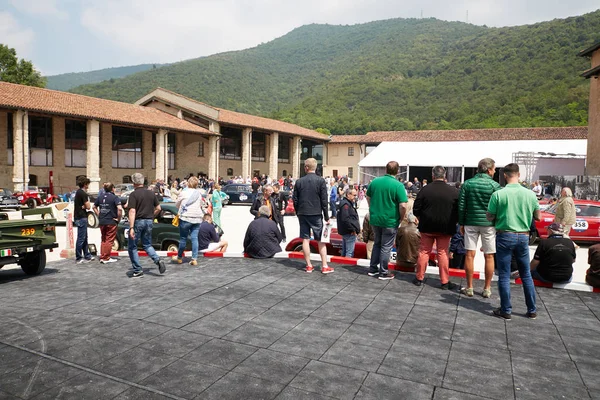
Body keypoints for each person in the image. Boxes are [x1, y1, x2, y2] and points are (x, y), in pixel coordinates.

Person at [487, 163, 540, 320]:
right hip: (523, 236)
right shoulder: (529, 194)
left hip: (505, 235)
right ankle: (532, 309)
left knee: (504, 274)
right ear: (519, 175)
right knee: (526, 274)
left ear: (504, 175)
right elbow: (538, 217)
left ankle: (506, 310)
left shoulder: (498, 194)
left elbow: (489, 216)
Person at [458, 158, 502, 297]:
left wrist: (461, 223)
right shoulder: (495, 186)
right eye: (494, 169)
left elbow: (461, 206)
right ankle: (487, 288)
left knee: (469, 255)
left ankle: (469, 287)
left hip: (470, 221)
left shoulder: (467, 184)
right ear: (489, 170)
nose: (495, 171)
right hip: (489, 224)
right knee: (489, 256)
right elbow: (499, 207)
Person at [413, 166, 459, 289]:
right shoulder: (453, 191)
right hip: (445, 227)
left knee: (424, 252)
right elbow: (458, 210)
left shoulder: (425, 190)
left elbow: (416, 208)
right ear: (445, 176)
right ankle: (444, 281)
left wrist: (420, 217)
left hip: (427, 226)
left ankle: (419, 278)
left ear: (433, 176)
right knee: (443, 253)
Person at [366, 161, 408, 280]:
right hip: (390, 220)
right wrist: (401, 217)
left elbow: (368, 197)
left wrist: (372, 208)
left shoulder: (375, 182)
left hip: (375, 218)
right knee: (386, 246)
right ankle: (383, 272)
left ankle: (373, 268)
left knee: (377, 243)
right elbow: (403, 205)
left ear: (386, 169)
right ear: (397, 171)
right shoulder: (398, 185)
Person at [292, 158, 333, 274]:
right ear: (316, 168)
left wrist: (297, 211)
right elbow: (324, 201)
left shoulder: (299, 182)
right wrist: (326, 217)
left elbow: (295, 199)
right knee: (321, 240)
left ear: (306, 167)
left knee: (305, 239)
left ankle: (309, 265)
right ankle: (324, 266)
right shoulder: (320, 181)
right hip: (316, 213)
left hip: (302, 213)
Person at [127, 173, 166, 277]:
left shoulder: (133, 194)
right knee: (147, 245)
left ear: (134, 183)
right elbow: (158, 208)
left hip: (138, 221)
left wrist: (131, 227)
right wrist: (151, 216)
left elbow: (132, 211)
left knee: (132, 246)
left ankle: (137, 270)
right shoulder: (151, 193)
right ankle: (157, 260)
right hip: (149, 221)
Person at [172, 176, 204, 266]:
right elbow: (201, 205)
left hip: (185, 217)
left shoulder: (183, 192)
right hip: (197, 218)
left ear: (188, 183)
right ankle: (194, 259)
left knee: (183, 239)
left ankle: (179, 257)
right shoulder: (199, 194)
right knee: (195, 238)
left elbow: (177, 204)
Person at [93, 182, 123, 264]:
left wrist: (99, 214)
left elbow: (94, 207)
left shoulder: (100, 197)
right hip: (111, 221)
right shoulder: (114, 198)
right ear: (113, 188)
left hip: (102, 221)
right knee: (109, 240)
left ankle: (103, 256)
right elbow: (119, 209)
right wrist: (118, 218)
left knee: (103, 239)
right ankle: (106, 257)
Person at [74, 176, 94, 264]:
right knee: (81, 238)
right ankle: (78, 257)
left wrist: (84, 206)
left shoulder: (78, 192)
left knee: (85, 237)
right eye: (88, 184)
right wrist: (85, 206)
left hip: (78, 217)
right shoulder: (83, 193)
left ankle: (87, 255)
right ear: (85, 184)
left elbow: (84, 205)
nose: (88, 186)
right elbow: (88, 206)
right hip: (82, 217)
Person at [337, 188, 361, 257]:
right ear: (348, 195)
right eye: (354, 195)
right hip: (349, 232)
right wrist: (353, 230)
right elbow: (345, 219)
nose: (355, 197)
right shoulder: (346, 205)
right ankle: (347, 266)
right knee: (349, 253)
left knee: (345, 252)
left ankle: (342, 265)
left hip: (346, 232)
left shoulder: (347, 204)